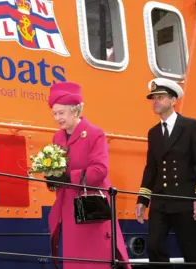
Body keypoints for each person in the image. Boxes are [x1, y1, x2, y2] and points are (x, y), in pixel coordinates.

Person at [45, 81, 131, 269]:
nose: (57, 118)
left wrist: (69, 178)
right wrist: (52, 179)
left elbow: (100, 170)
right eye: (54, 113)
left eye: (61, 113)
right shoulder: (57, 137)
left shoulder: (94, 134)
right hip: (68, 208)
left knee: (94, 260)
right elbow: (56, 167)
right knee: (73, 260)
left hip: (91, 206)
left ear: (75, 110)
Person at [134, 78, 196, 268]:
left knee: (193, 252)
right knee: (154, 246)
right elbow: (151, 168)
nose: (155, 102)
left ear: (173, 100)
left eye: (160, 97)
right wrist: (143, 200)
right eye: (153, 98)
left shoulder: (192, 126)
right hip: (161, 201)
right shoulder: (153, 133)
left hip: (186, 200)